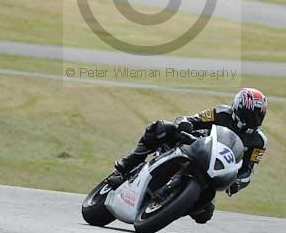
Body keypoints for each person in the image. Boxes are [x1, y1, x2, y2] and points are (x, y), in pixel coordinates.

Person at [108, 87, 268, 224]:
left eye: (258, 116)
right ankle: (129, 163)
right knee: (162, 128)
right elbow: (191, 119)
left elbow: (248, 170)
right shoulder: (221, 113)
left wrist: (237, 182)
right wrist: (184, 124)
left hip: (213, 171)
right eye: (249, 114)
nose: (253, 120)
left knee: (204, 214)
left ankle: (169, 207)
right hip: (195, 147)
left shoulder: (259, 141)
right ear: (238, 107)